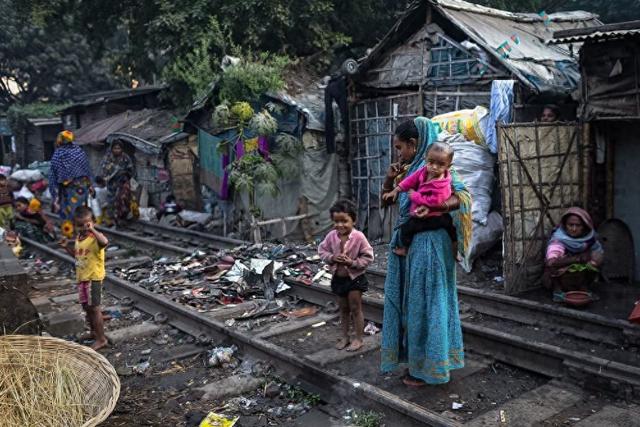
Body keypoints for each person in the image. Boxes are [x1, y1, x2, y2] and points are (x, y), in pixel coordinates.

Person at [380, 118, 473, 387]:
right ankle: (420, 362)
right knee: (417, 302)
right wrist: (389, 179)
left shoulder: (435, 168)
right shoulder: (412, 170)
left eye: (400, 147)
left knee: (426, 302)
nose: (398, 153)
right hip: (414, 243)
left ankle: (426, 367)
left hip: (431, 243)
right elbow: (386, 202)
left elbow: (463, 196)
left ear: (413, 144)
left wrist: (438, 206)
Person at [382, 141, 457, 257]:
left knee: (407, 229)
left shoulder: (442, 183)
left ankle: (406, 249)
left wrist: (415, 196)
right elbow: (410, 180)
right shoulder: (424, 170)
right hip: (423, 213)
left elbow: (435, 201)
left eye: (440, 164)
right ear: (425, 159)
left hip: (434, 216)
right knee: (451, 230)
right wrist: (396, 190)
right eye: (431, 162)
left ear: (448, 166)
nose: (434, 167)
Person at [318, 199, 374, 352]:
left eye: (344, 221)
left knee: (356, 308)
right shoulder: (331, 236)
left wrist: (352, 263)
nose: (340, 225)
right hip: (338, 278)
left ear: (353, 220)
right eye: (336, 221)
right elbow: (321, 251)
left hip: (355, 278)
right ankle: (345, 337)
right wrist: (331, 258)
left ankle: (358, 338)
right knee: (343, 309)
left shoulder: (359, 237)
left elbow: (368, 257)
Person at [60, 206, 109, 351]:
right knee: (86, 308)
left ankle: (101, 339)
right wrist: (66, 248)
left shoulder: (94, 237)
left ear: (92, 222)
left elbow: (105, 242)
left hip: (93, 279)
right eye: (79, 225)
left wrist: (93, 229)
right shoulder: (79, 238)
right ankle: (94, 332)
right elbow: (77, 257)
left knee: (94, 309)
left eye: (86, 224)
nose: (83, 228)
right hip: (82, 278)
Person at [544, 207, 604, 302]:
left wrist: (595, 261)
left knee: (592, 266)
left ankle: (584, 288)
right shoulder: (558, 239)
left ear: (585, 226)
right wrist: (577, 259)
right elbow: (551, 262)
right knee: (552, 268)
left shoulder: (590, 239)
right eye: (570, 225)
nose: (574, 229)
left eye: (578, 225)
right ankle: (558, 292)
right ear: (565, 225)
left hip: (581, 275)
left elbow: (598, 252)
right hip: (562, 276)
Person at [49, 130, 94, 238]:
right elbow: (87, 169)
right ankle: (85, 233)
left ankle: (71, 234)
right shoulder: (79, 151)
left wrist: (55, 194)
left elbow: (53, 174)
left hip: (67, 189)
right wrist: (91, 185)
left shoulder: (58, 154)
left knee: (68, 211)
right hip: (82, 189)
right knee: (82, 211)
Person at [100, 141, 135, 226]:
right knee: (112, 201)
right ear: (112, 149)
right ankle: (112, 219)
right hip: (112, 184)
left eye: (118, 148)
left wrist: (125, 175)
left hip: (123, 182)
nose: (117, 150)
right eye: (115, 148)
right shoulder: (107, 158)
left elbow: (131, 169)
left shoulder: (125, 157)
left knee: (123, 199)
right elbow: (104, 171)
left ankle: (122, 217)